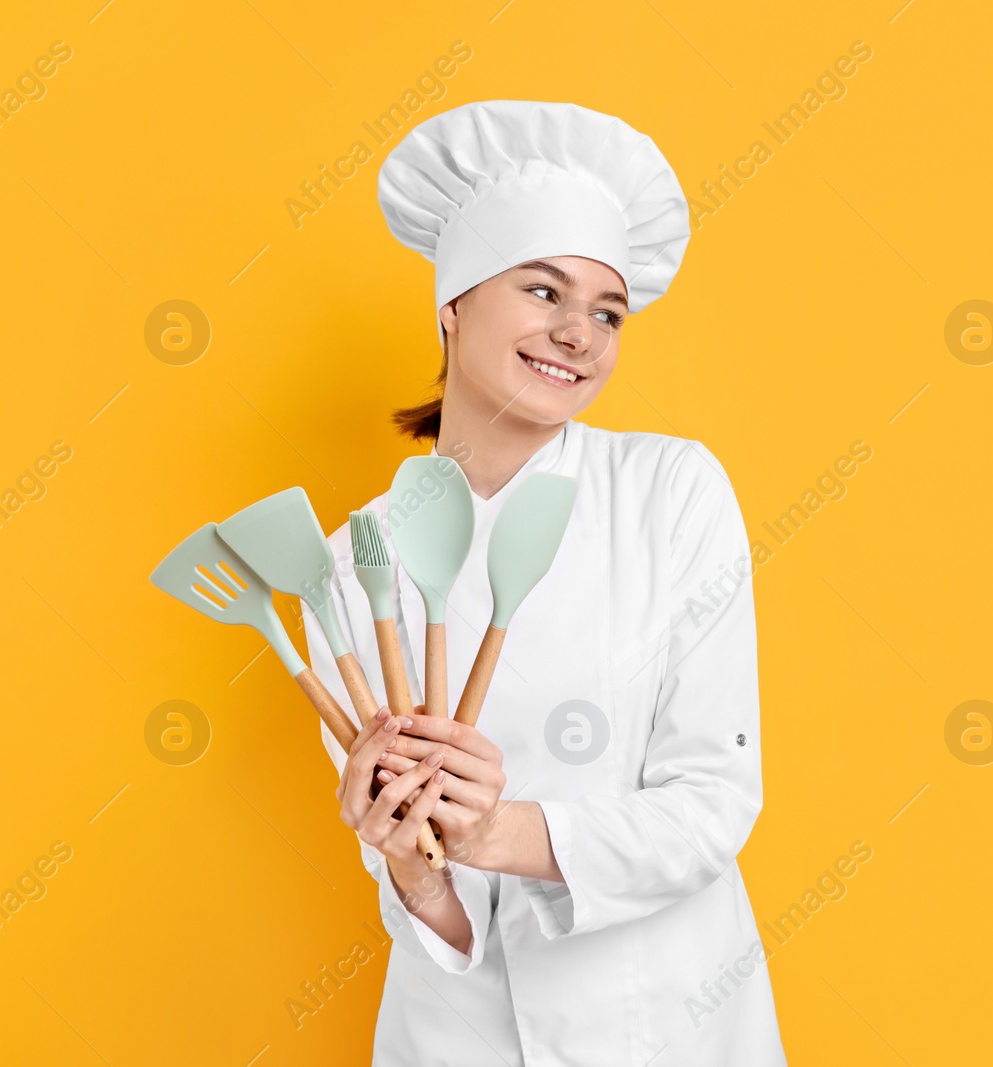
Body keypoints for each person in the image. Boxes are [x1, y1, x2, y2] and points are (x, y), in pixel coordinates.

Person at [300, 100, 785, 1066]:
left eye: (608, 312)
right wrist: (412, 862)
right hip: (458, 1034)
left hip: (670, 1020)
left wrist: (500, 829)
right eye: (543, 291)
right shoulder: (356, 559)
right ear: (451, 302)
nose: (580, 334)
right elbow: (420, 890)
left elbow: (713, 802)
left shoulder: (671, 490)